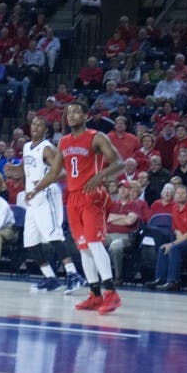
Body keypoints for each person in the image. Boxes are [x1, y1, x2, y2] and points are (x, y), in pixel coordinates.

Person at [27, 99, 125, 315]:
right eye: (68, 112)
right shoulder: (63, 142)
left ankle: (111, 293)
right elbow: (54, 173)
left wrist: (100, 175)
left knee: (95, 244)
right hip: (73, 198)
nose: (71, 115)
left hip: (92, 196)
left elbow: (120, 163)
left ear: (86, 116)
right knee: (83, 248)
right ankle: (94, 294)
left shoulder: (96, 137)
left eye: (76, 112)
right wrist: (36, 189)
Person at [21, 117, 86, 293]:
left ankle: (73, 275)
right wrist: (14, 169)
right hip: (32, 199)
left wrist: (42, 183)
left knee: (54, 235)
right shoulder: (27, 146)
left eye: (39, 124)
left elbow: (63, 173)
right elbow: (27, 167)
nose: (35, 126)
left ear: (46, 131)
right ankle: (50, 277)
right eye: (33, 123)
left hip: (47, 194)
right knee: (30, 242)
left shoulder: (48, 149)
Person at [145, 184, 187, 291]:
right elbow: (177, 229)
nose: (180, 195)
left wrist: (174, 243)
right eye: (178, 193)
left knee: (173, 248)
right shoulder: (174, 208)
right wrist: (176, 242)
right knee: (163, 248)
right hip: (184, 238)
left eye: (183, 193)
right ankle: (160, 279)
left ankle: (173, 281)